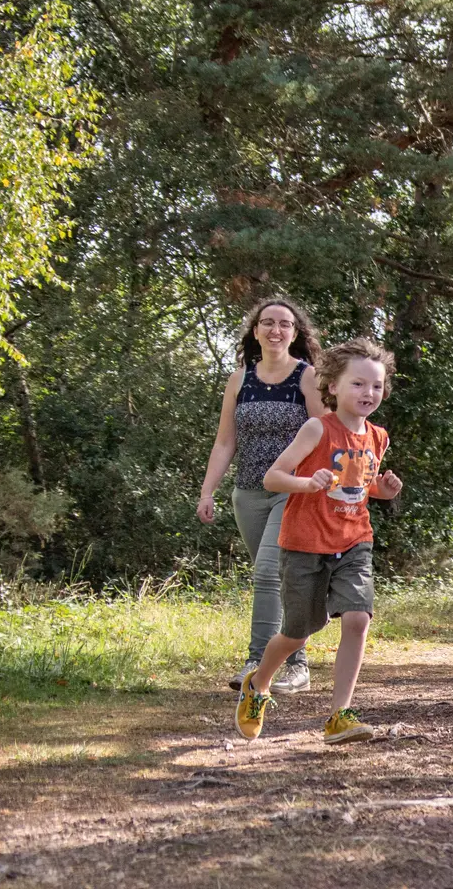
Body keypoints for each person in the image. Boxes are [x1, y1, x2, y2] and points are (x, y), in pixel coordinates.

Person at [236, 338, 402, 744]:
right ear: (332, 387)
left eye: (377, 386)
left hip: (354, 539)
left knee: (358, 619)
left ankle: (338, 714)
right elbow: (272, 478)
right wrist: (307, 483)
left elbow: (360, 488)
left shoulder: (377, 437)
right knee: (298, 632)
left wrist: (384, 489)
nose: (369, 393)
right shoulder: (317, 429)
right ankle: (258, 684)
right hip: (306, 543)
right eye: (359, 384)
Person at [196, 297, 325, 695]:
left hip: (294, 492)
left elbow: (324, 433)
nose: (276, 330)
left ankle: (257, 662)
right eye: (268, 323)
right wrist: (208, 490)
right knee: (280, 579)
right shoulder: (239, 380)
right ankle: (296, 664)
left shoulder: (307, 377)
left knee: (269, 572)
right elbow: (224, 442)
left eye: (285, 324)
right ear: (255, 332)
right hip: (248, 494)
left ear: (296, 333)